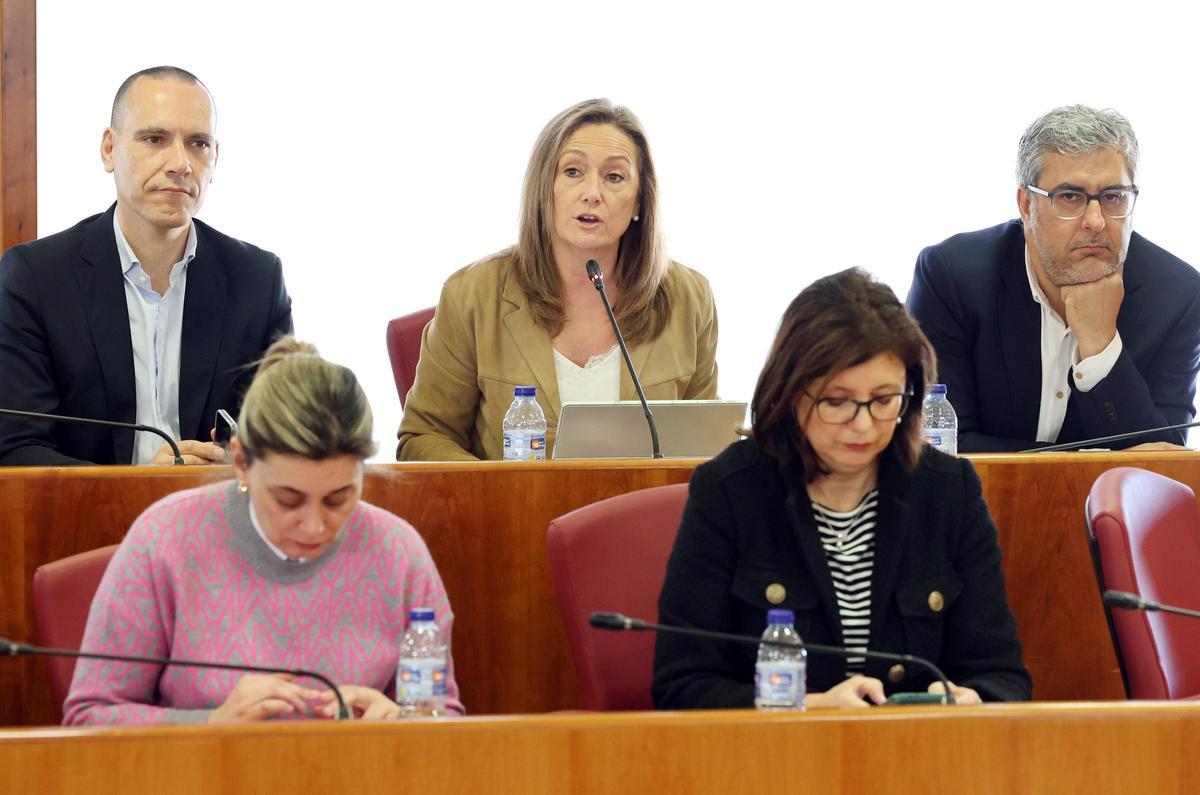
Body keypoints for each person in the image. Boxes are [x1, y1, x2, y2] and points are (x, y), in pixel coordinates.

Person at [652, 269, 1031, 709]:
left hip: (917, 746)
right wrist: (812, 707)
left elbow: (1003, 675)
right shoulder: (729, 491)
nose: (863, 424)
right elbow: (681, 686)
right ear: (791, 391)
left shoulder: (949, 492)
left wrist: (972, 699)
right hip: (779, 749)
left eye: (884, 400)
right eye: (837, 401)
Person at [64, 337, 463, 724]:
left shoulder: (398, 551)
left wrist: (402, 722)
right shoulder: (165, 539)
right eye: (288, 500)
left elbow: (443, 716)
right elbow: (90, 716)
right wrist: (210, 724)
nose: (314, 526)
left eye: (339, 499)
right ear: (241, 463)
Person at [0, 65, 292, 466]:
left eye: (198, 143)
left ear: (215, 157)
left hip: (215, 504)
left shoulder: (258, 281)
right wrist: (141, 485)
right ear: (109, 149)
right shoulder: (35, 278)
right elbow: (16, 450)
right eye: (155, 139)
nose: (180, 163)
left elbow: (289, 442)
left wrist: (234, 467)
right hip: (87, 506)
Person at [397, 98, 718, 461]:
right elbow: (424, 437)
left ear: (640, 201)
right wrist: (500, 489)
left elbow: (706, 445)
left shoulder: (689, 298)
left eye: (614, 177)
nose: (592, 194)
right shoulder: (472, 295)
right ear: (543, 187)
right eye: (572, 171)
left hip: (640, 499)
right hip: (516, 500)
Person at [907, 105, 1200, 453]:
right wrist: (1081, 464)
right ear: (1026, 205)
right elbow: (941, 448)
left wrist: (1101, 345)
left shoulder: (1178, 297)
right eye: (1070, 197)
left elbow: (1164, 460)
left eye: (1113, 197)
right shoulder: (951, 278)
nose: (1096, 221)